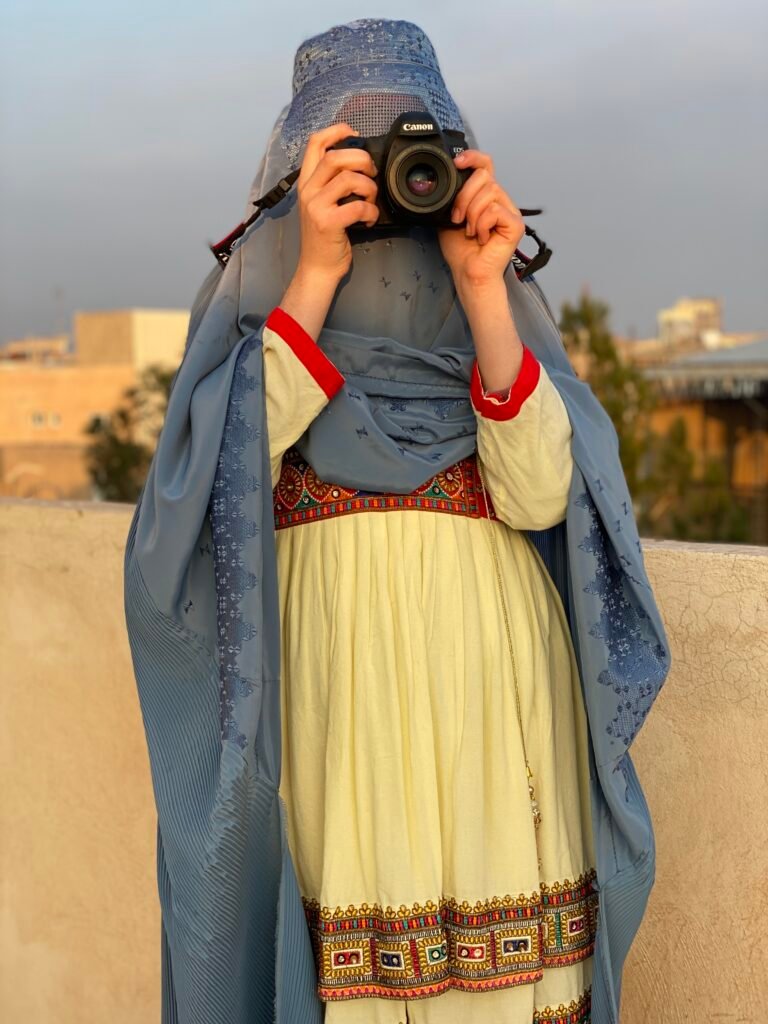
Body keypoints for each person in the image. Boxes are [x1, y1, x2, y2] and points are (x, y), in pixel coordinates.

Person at [123, 18, 670, 1024]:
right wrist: (316, 273)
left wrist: (484, 287)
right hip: (336, 681)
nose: (387, 168)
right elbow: (208, 489)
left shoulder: (496, 285)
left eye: (407, 138)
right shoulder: (256, 285)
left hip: (490, 675)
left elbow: (547, 495)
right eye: (353, 143)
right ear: (301, 158)